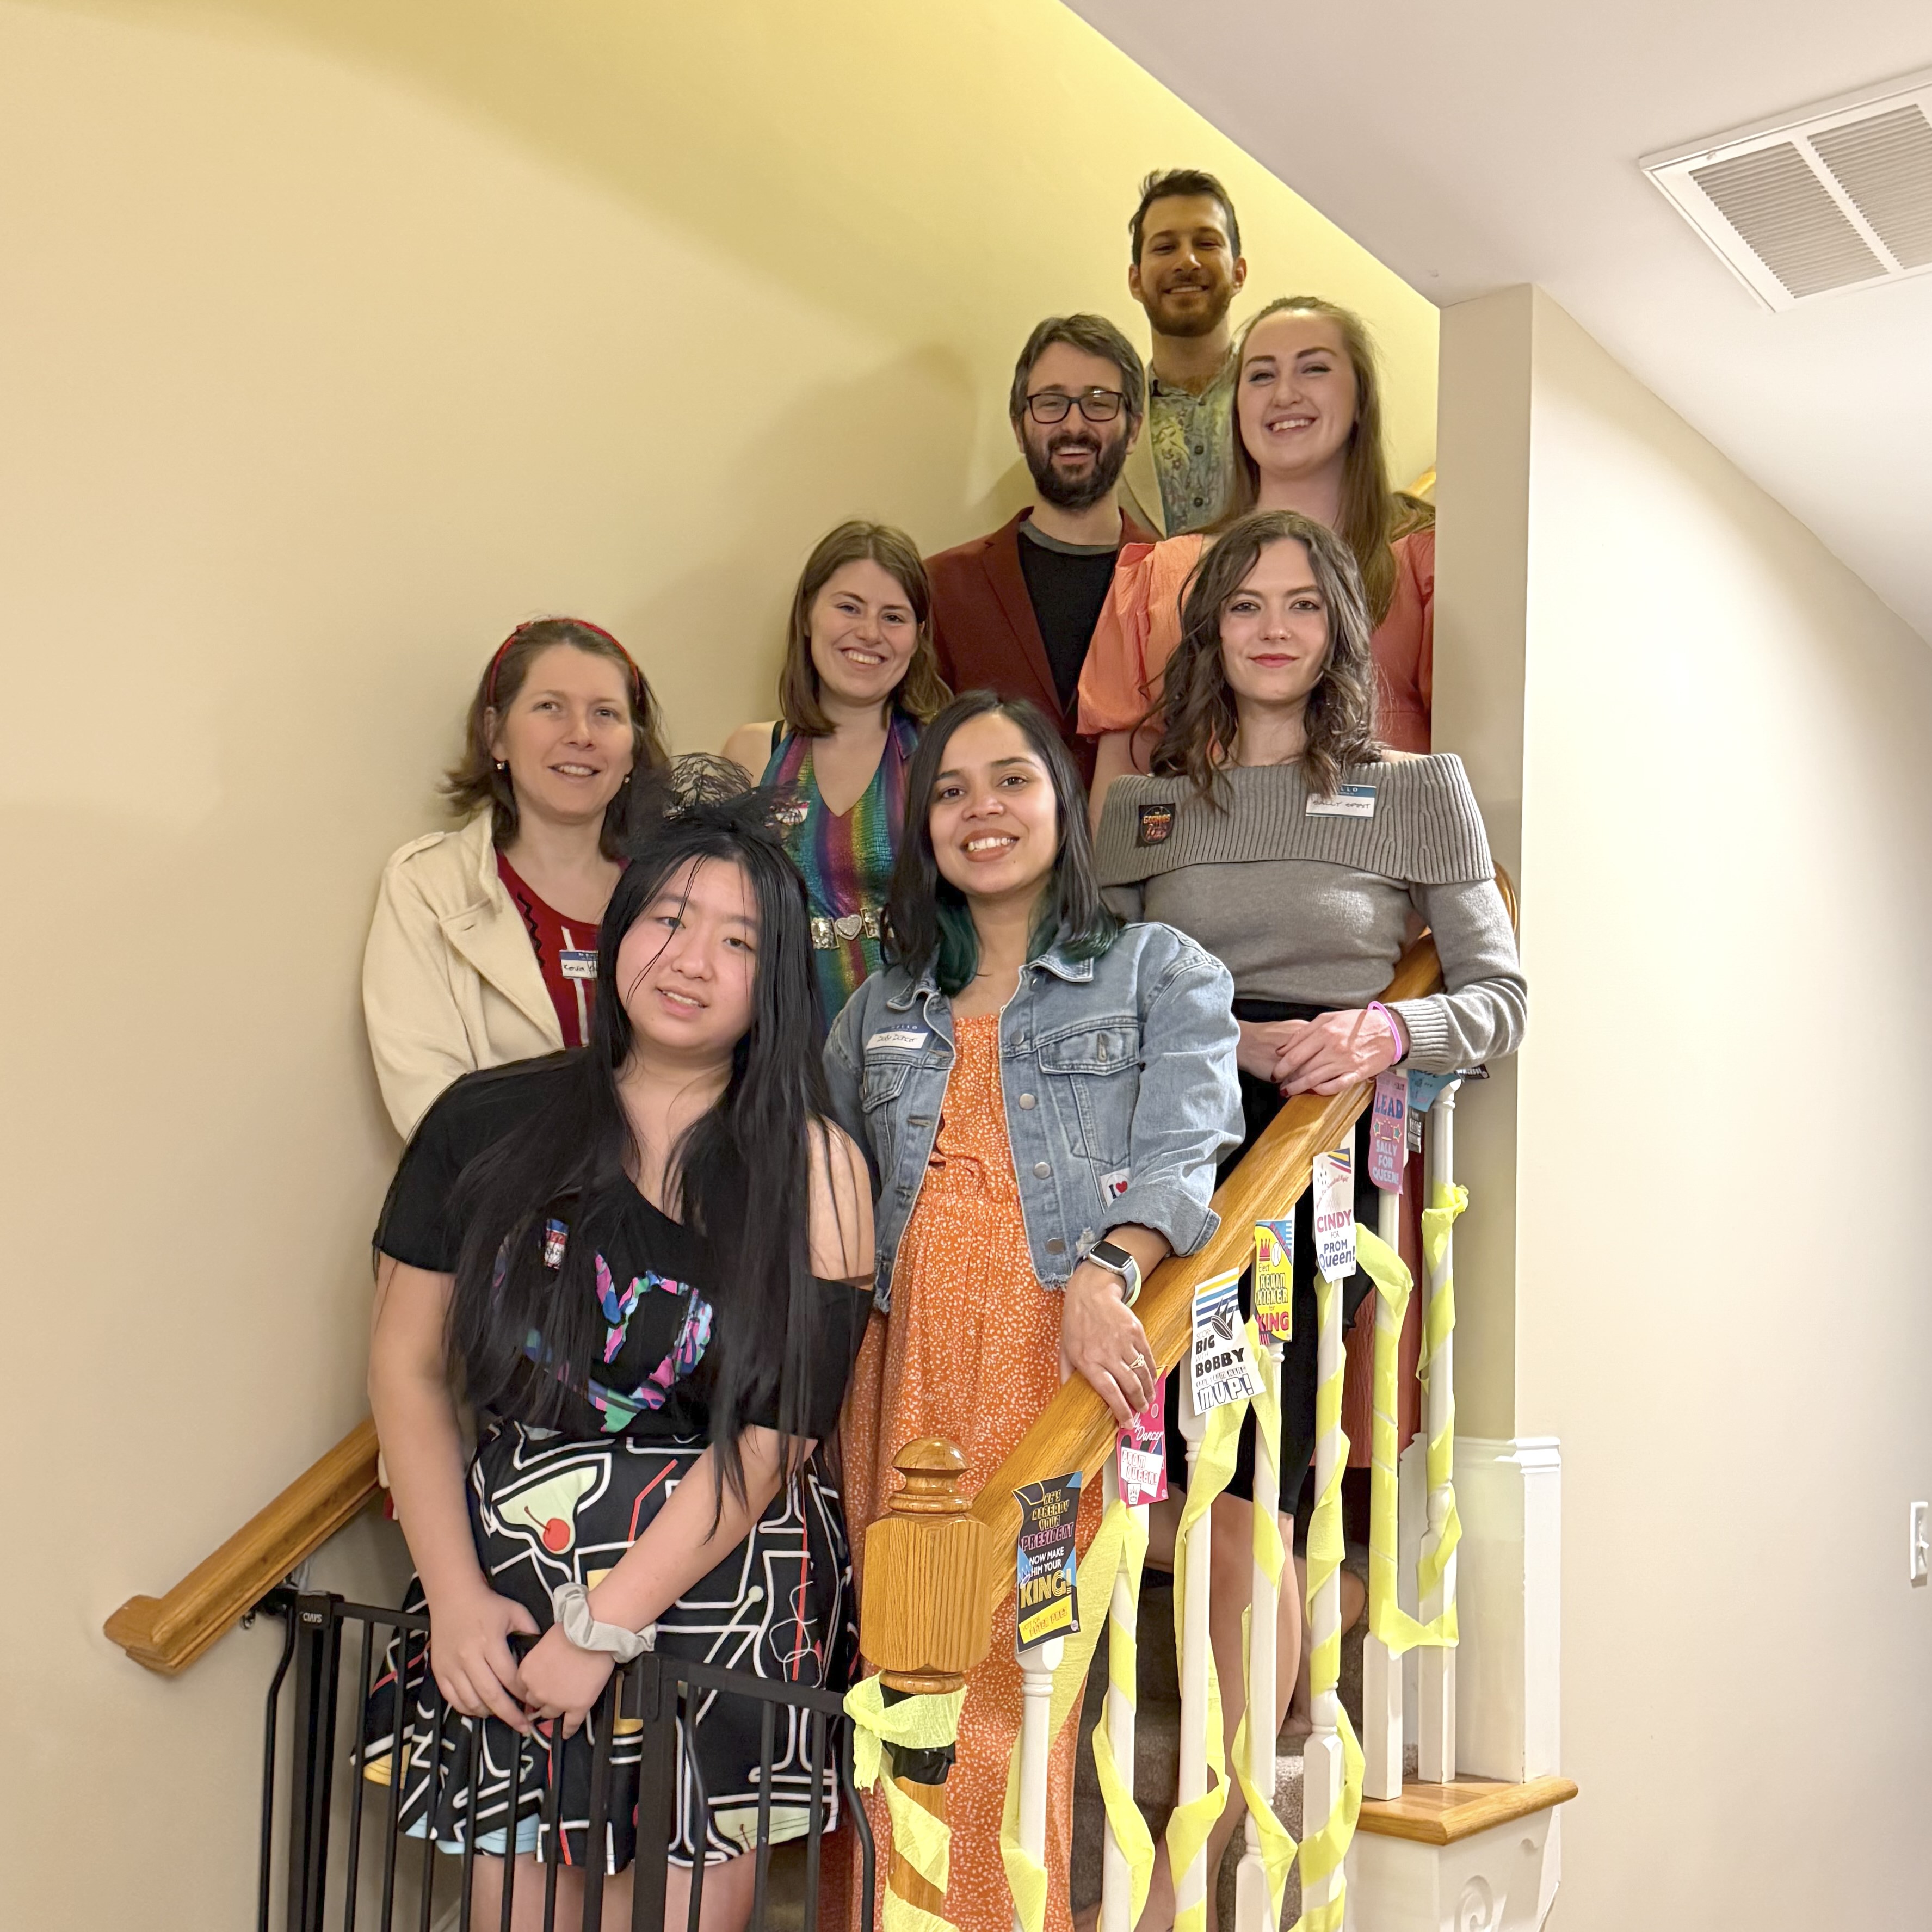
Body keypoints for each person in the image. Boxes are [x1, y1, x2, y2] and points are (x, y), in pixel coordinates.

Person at [1092, 510, 1526, 1930]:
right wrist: (1226, 1042)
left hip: (1306, 1163)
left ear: (1342, 629)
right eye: (1242, 605)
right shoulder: (1143, 801)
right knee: (1155, 1483)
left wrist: (1376, 1030)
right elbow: (1078, 996)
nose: (1271, 627)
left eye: (1302, 603)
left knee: (1242, 1485)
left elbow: (1496, 997)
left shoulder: (1416, 789)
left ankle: (1186, 1855)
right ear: (1205, 628)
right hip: (1156, 1147)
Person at [364, 776, 875, 1932]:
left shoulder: (816, 1166)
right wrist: (452, 1595)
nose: (690, 958)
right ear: (620, 932)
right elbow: (404, 1364)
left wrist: (605, 1624)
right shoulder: (482, 1120)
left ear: (776, 984)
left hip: (715, 1585)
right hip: (513, 1576)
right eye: (667, 918)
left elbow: (777, 1432)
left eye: (737, 938)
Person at [825, 693, 1242, 1932]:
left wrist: (1105, 1270)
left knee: (1002, 1683)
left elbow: (1186, 1149)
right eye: (950, 791)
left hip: (1048, 1346)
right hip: (895, 1360)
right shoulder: (882, 1003)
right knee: (894, 1678)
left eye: (1010, 780)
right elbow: (827, 1171)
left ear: (1061, 800)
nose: (980, 811)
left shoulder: (1158, 970)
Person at [1082, 295, 1437, 825]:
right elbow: (1117, 799)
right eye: (1260, 375)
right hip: (1187, 900)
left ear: (1361, 397)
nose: (1285, 394)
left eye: (1313, 368)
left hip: (1379, 895)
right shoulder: (1157, 578)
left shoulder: (1421, 569)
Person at [363, 617, 670, 1138]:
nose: (580, 735)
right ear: (495, 734)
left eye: (605, 714)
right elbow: (430, 1106)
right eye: (549, 707)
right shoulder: (428, 886)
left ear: (632, 752)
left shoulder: (680, 890)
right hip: (502, 1208)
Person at [723, 522, 949, 1029]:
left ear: (917, 637)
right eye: (848, 607)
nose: (869, 633)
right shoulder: (753, 753)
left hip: (920, 1054)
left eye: (894, 616)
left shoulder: (943, 755)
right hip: (781, 1061)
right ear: (807, 615)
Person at [924, 316, 1156, 783]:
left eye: (1098, 403)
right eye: (1051, 403)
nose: (1074, 424)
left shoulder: (1181, 582)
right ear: (1019, 427)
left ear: (1133, 428)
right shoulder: (941, 588)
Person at [1119, 168, 1248, 540]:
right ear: (1135, 280)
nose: (1186, 262)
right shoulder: (1108, 421)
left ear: (1238, 273)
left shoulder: (1284, 406)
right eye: (1164, 247)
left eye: (1207, 244)